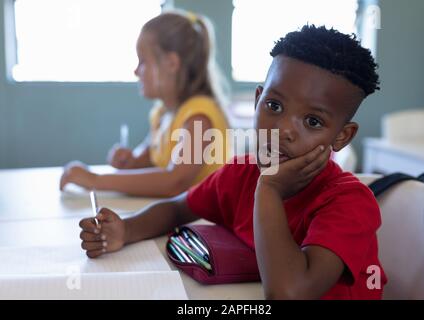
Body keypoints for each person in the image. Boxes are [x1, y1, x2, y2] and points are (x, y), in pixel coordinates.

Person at [78, 25, 387, 299]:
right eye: (274, 105)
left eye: (313, 121)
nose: (283, 130)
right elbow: (178, 207)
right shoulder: (241, 172)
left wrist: (268, 190)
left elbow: (289, 293)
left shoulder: (347, 202)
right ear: (257, 100)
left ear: (342, 136)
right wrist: (126, 230)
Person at [60, 11, 230, 197]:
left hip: (204, 223)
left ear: (172, 64)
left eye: (143, 62)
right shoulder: (163, 113)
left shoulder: (199, 116)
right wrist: (130, 161)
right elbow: (150, 158)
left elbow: (175, 181)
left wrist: (95, 180)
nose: (136, 71)